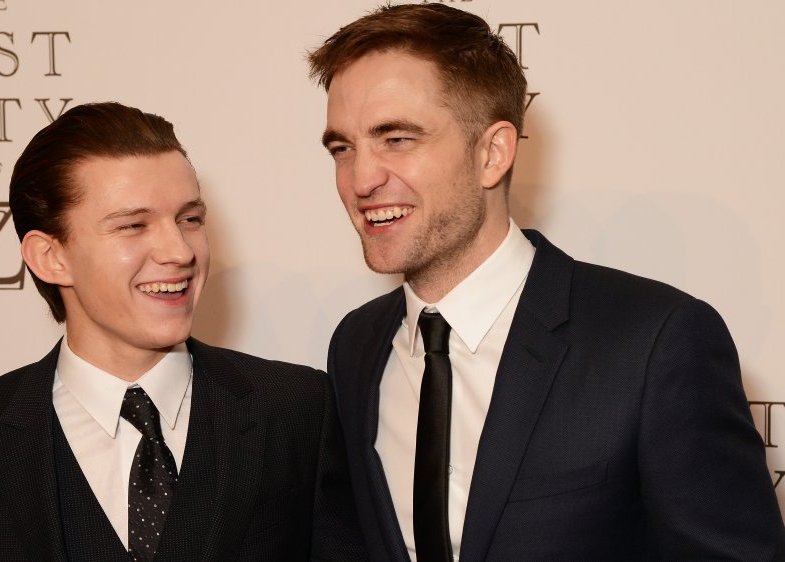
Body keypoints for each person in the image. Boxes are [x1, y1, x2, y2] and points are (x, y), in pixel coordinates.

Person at [307, 4, 785, 560]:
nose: (361, 179)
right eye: (343, 148)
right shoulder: (356, 347)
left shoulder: (654, 344)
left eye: (397, 139)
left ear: (493, 153)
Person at [0, 102, 364, 561]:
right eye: (133, 225)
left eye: (190, 219)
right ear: (50, 257)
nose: (179, 251)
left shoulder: (299, 409)